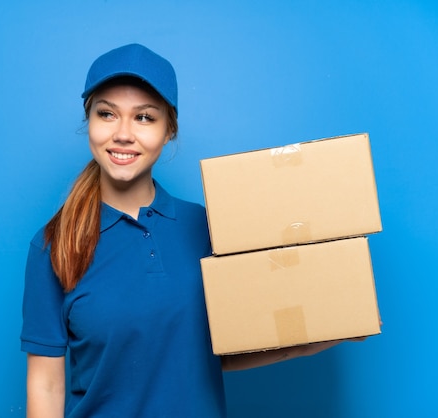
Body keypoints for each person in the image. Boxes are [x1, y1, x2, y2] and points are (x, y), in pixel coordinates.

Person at [20, 43, 343, 418]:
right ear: (88, 121)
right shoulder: (53, 245)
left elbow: (206, 357)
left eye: (144, 118)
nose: (123, 134)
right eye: (107, 114)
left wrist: (319, 336)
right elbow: (46, 385)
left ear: (169, 129)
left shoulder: (206, 227)